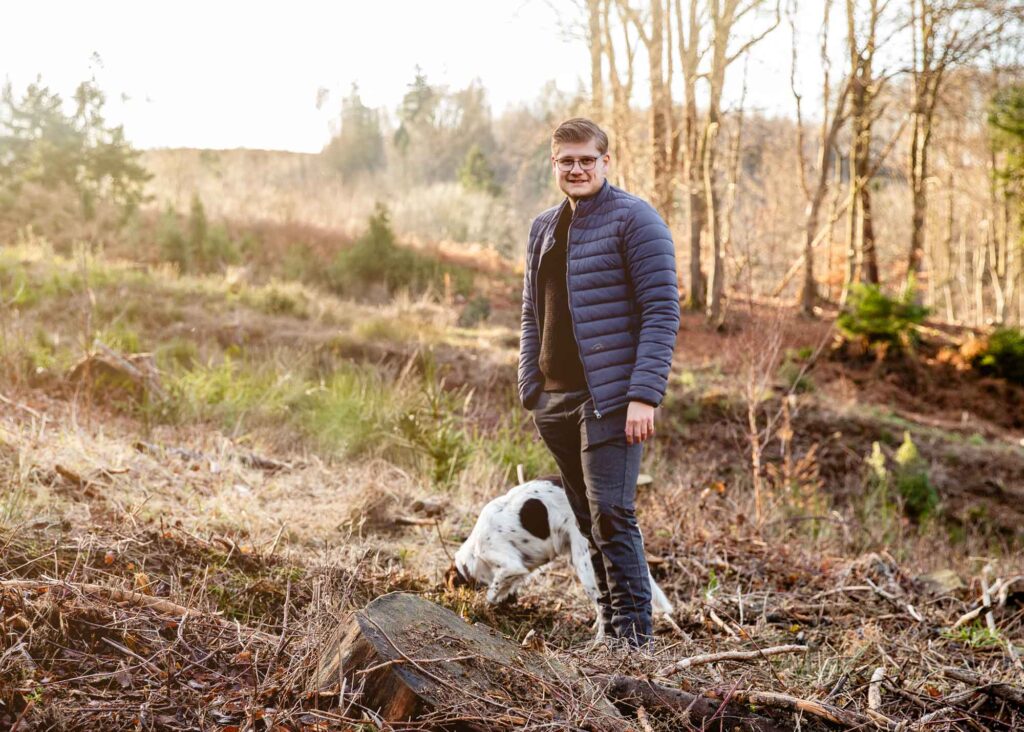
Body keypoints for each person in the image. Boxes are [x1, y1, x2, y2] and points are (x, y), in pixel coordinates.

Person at [518, 117, 680, 648]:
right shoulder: (544, 227)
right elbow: (530, 312)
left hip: (610, 397)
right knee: (588, 519)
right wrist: (531, 386)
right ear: (554, 164)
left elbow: (661, 310)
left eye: (588, 159)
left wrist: (643, 394)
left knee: (613, 513)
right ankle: (611, 629)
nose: (577, 168)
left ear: (606, 162)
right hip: (555, 400)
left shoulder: (636, 220)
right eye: (567, 160)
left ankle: (634, 645)